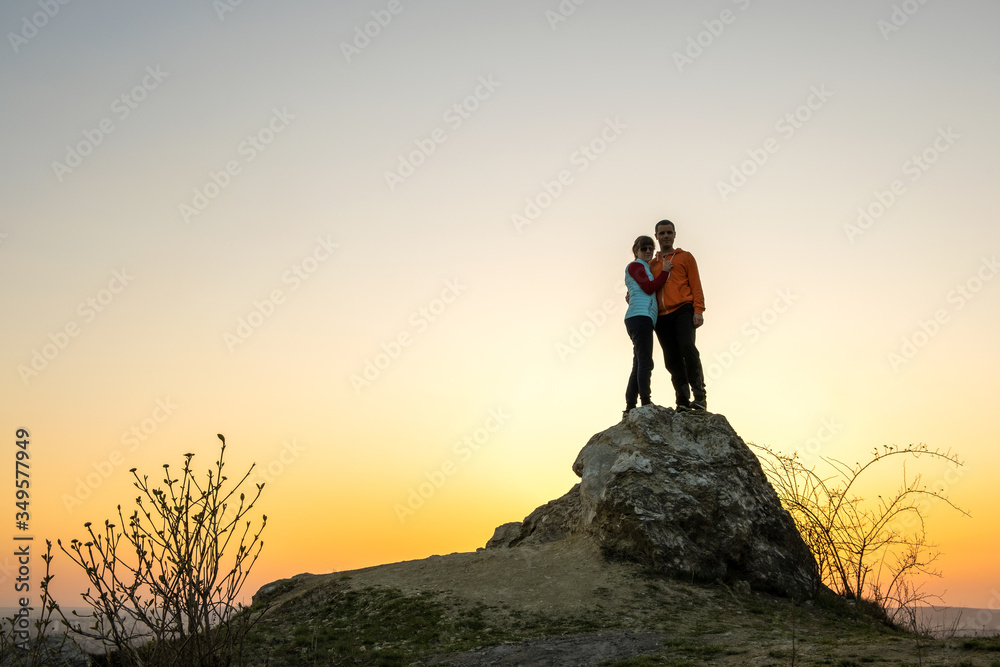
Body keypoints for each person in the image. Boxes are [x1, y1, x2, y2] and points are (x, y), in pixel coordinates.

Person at [649, 219, 707, 411]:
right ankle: (682, 400)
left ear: (674, 235)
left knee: (688, 348)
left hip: (683, 309)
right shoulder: (652, 263)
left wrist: (698, 310)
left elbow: (696, 285)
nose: (666, 236)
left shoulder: (686, 257)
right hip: (661, 316)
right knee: (671, 359)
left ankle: (699, 396)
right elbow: (645, 286)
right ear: (656, 236)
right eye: (662, 233)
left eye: (669, 233)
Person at [623, 235, 670, 417]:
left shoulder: (644, 267)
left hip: (642, 317)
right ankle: (645, 402)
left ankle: (630, 406)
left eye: (651, 247)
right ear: (636, 251)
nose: (649, 251)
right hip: (639, 317)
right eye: (644, 248)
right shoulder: (635, 265)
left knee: (639, 362)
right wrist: (665, 271)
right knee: (645, 362)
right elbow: (649, 288)